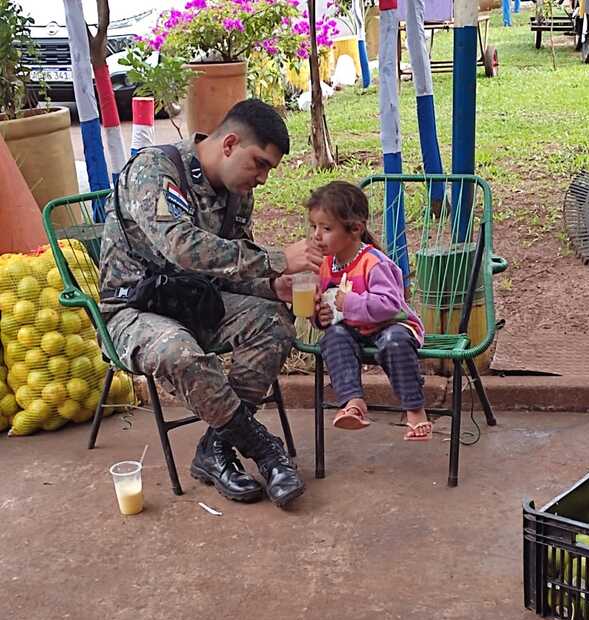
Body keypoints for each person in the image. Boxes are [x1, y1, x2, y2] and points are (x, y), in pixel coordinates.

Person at [100, 99, 323, 507]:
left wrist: (274, 288)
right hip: (135, 309)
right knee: (177, 351)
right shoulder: (156, 169)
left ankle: (215, 448)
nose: (263, 179)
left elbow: (230, 269)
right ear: (229, 143)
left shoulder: (239, 195)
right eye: (259, 164)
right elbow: (180, 248)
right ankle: (262, 448)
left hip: (199, 303)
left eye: (269, 170)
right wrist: (275, 258)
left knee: (274, 323)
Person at [308, 181, 432, 440]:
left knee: (394, 342)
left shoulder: (373, 263)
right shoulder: (326, 265)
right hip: (354, 330)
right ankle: (353, 403)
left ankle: (414, 409)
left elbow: (390, 305)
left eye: (326, 228)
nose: (317, 235)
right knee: (333, 337)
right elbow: (328, 307)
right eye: (314, 227)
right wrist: (320, 317)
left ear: (355, 229)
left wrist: (349, 302)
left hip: (392, 325)